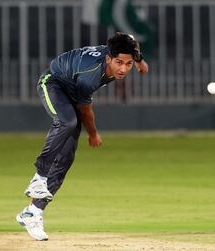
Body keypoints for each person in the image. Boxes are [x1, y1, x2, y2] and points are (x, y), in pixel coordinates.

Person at [16, 32, 149, 241]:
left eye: (128, 63)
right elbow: (85, 111)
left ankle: (33, 212)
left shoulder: (121, 52)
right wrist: (93, 134)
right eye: (119, 63)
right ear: (108, 59)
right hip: (53, 84)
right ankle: (39, 177)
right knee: (67, 122)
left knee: (66, 157)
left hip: (72, 90)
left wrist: (140, 62)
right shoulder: (91, 75)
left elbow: (130, 39)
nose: (123, 69)